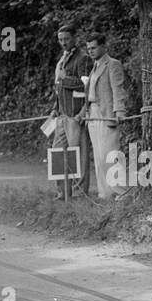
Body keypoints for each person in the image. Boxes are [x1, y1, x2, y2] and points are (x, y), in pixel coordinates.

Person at [82, 33, 128, 200]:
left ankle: (122, 191)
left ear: (103, 47)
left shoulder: (112, 64)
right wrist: (85, 113)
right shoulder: (94, 67)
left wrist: (119, 111)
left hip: (107, 114)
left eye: (93, 48)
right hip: (93, 114)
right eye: (88, 49)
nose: (91, 51)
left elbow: (118, 89)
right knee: (99, 156)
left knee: (110, 154)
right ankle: (105, 193)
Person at [52, 24, 93, 196]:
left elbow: (85, 85)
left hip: (76, 114)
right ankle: (63, 192)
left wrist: (64, 79)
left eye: (66, 39)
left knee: (78, 155)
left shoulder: (83, 58)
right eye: (60, 39)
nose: (63, 42)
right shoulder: (62, 58)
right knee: (57, 152)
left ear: (75, 38)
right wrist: (55, 107)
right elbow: (58, 87)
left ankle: (79, 193)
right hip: (61, 114)